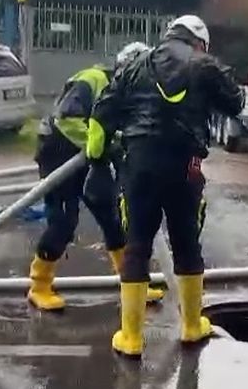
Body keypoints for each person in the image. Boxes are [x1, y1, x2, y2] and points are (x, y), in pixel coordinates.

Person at [86, 15, 245, 357]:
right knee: (186, 243)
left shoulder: (135, 66)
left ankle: (131, 338)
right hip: (185, 168)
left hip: (139, 165)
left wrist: (96, 159)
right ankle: (191, 326)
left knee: (137, 245)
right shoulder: (205, 64)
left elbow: (100, 116)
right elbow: (236, 103)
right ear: (199, 42)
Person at [27, 42, 165, 311]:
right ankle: (39, 286)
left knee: (112, 217)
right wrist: (102, 144)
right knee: (64, 221)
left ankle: (131, 282)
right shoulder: (93, 80)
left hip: (91, 155)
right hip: (59, 153)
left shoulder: (127, 92)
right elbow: (67, 120)